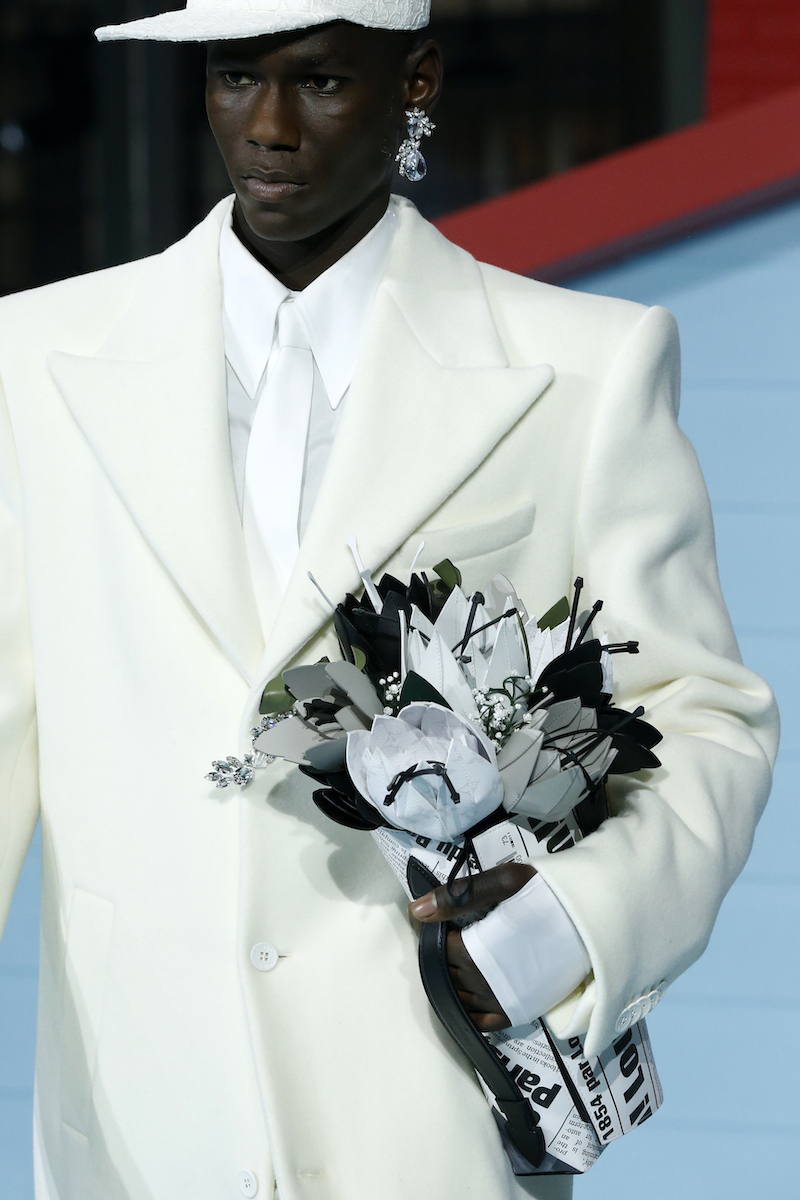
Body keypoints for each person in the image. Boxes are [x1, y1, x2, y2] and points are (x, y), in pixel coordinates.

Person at [0, 1, 778, 1197]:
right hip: (138, 1118)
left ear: (414, 82)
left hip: (428, 1118)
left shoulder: (583, 366)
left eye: (319, 81)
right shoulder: (36, 358)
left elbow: (700, 717)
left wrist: (567, 924)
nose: (267, 125)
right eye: (234, 77)